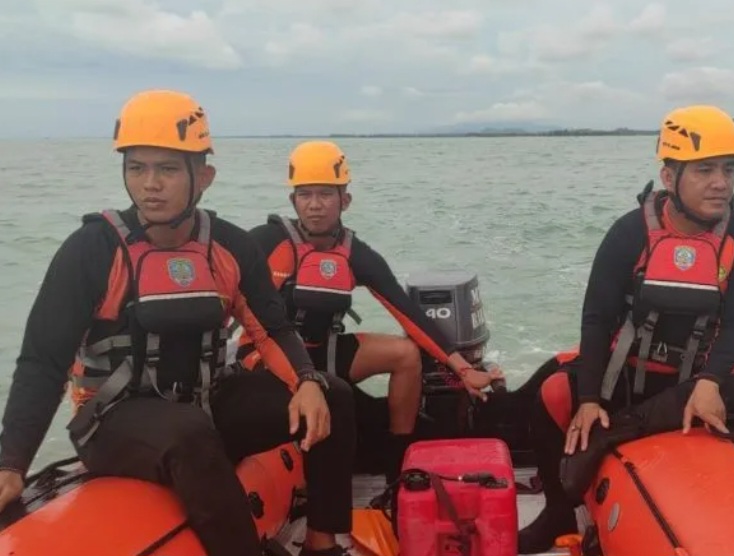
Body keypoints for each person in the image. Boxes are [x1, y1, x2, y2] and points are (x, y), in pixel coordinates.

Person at [0, 90, 363, 556]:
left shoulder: (229, 246)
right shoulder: (92, 249)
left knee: (334, 394)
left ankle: (319, 541)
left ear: (203, 176)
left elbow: (272, 329)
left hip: (206, 400)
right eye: (137, 168)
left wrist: (307, 380)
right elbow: (42, 362)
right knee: (189, 434)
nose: (150, 184)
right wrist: (12, 463)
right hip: (112, 421)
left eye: (167, 169)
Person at [517, 104, 734, 553]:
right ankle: (557, 509)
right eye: (706, 169)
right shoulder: (629, 233)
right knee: (551, 396)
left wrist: (712, 380)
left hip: (694, 382)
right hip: (629, 375)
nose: (721, 182)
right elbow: (596, 317)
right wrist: (591, 399)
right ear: (670, 177)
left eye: (729, 170)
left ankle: (614, 435)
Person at [233, 140, 504, 484]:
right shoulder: (265, 241)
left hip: (321, 353)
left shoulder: (356, 253)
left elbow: (406, 312)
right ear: (293, 200)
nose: (315, 206)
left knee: (406, 354)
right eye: (305, 195)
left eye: (325, 195)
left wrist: (463, 369)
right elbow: (226, 297)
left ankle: (398, 459)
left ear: (344, 200)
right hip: (266, 359)